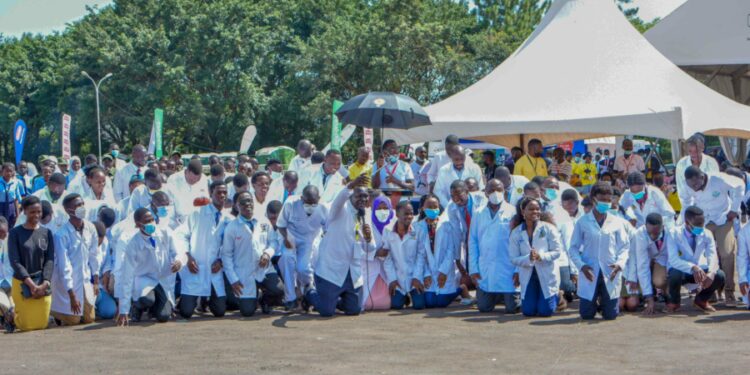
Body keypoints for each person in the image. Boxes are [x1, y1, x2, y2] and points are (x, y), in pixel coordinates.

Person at [303, 175, 374, 317]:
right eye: (358, 195)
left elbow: (370, 248)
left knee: (354, 310)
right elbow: (339, 199)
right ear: (350, 196)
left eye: (365, 196)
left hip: (352, 273)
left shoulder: (364, 215)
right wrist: (350, 185)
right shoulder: (338, 210)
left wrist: (368, 238)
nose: (363, 199)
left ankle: (334, 300)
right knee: (326, 312)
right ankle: (309, 291)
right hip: (331, 271)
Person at [681, 166, 743, 305]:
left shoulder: (718, 178)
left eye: (696, 184)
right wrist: (685, 222)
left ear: (702, 177)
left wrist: (734, 209)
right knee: (705, 255)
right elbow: (686, 203)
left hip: (723, 219)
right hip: (703, 222)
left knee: (726, 254)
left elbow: (740, 185)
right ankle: (710, 290)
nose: (694, 188)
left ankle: (729, 291)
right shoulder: (687, 186)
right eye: (691, 185)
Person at [569, 183, 630, 320]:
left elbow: (625, 247)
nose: (606, 203)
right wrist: (582, 266)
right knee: (586, 315)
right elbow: (573, 248)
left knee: (610, 315)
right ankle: (593, 303)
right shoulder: (583, 222)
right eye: (602, 200)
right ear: (593, 199)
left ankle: (604, 303)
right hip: (589, 270)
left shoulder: (616, 222)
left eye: (609, 200)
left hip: (610, 271)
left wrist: (619, 264)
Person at [117, 208, 183, 326]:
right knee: (147, 299)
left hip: (162, 280)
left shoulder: (164, 232)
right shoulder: (133, 245)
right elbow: (126, 277)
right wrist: (124, 310)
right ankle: (136, 306)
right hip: (144, 279)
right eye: (147, 221)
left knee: (164, 316)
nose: (151, 223)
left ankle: (154, 308)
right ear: (138, 225)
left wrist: (179, 261)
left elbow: (177, 251)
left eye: (152, 219)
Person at [173, 181, 230, 319]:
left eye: (224, 192)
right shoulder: (196, 214)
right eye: (218, 192)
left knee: (220, 312)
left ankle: (206, 301)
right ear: (211, 193)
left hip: (215, 268)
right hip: (196, 266)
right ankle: (185, 302)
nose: (222, 195)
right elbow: (180, 235)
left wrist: (221, 261)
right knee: (186, 313)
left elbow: (230, 246)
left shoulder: (229, 218)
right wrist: (187, 257)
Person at [221, 192, 282, 317]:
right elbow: (226, 256)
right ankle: (254, 297)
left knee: (279, 290)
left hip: (264, 269)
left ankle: (265, 301)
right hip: (244, 272)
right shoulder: (231, 228)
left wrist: (267, 254)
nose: (247, 204)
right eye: (243, 202)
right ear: (236, 206)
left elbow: (274, 242)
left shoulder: (263, 221)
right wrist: (233, 280)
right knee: (247, 312)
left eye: (250, 201)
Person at [468, 179, 518, 313]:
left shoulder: (513, 212)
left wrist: (518, 270)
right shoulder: (478, 213)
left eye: (499, 190)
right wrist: (473, 268)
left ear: (504, 192)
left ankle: (506, 297)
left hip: (508, 267)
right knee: (484, 308)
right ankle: (495, 297)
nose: (495, 193)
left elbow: (520, 243)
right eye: (491, 190)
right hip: (486, 267)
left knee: (513, 308)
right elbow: (473, 241)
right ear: (485, 193)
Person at [50, 194, 99, 326]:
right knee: (74, 320)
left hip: (85, 279)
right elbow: (64, 265)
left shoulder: (90, 227)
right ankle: (55, 313)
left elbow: (94, 254)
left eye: (82, 204)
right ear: (67, 210)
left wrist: (96, 279)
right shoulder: (61, 235)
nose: (81, 207)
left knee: (89, 319)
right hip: (68, 282)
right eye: (77, 206)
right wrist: (71, 295)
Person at [509, 197, 562, 317]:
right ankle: (545, 299)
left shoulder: (549, 228)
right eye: (531, 209)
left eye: (538, 209)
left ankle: (558, 296)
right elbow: (513, 258)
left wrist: (541, 256)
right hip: (528, 274)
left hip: (546, 272)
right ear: (523, 212)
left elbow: (557, 251)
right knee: (528, 312)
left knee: (545, 311)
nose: (535, 212)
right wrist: (529, 258)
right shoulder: (516, 232)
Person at [8, 196, 55, 332]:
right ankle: (11, 315)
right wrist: (31, 284)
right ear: (24, 212)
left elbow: (50, 260)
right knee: (26, 326)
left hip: (42, 282)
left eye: (39, 212)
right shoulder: (15, 233)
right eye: (32, 212)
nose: (36, 215)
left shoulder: (47, 233)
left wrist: (45, 282)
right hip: (23, 282)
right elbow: (15, 261)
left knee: (41, 324)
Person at [277, 185, 327, 311]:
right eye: (307, 202)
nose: (310, 206)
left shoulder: (324, 209)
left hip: (309, 240)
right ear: (301, 198)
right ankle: (290, 298)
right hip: (291, 236)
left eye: (313, 203)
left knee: (303, 268)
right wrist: (287, 237)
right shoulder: (290, 204)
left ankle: (308, 289)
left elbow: (328, 230)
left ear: (319, 199)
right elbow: (281, 225)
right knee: (287, 259)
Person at [667, 206, 725, 312]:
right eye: (697, 225)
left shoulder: (707, 233)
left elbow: (712, 256)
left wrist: (711, 272)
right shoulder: (673, 233)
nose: (700, 227)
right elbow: (673, 260)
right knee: (675, 274)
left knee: (719, 275)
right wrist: (692, 267)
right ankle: (674, 302)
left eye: (702, 224)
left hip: (698, 271)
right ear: (686, 222)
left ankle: (701, 300)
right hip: (681, 271)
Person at [383, 201, 424, 310]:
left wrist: (416, 277)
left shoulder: (418, 230)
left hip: (414, 276)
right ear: (397, 214)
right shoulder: (387, 230)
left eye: (411, 213)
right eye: (406, 214)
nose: (409, 216)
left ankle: (411, 294)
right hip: (398, 277)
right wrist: (392, 279)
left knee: (419, 305)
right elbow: (387, 258)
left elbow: (421, 255)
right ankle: (404, 297)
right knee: (396, 305)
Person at [627, 213, 669, 315]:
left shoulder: (670, 232)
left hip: (663, 260)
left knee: (660, 281)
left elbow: (673, 257)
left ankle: (668, 296)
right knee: (643, 270)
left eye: (656, 233)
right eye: (650, 233)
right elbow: (642, 265)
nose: (653, 236)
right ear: (645, 226)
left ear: (662, 227)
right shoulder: (640, 234)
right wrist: (649, 299)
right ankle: (648, 296)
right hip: (643, 261)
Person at [675, 134, 720, 205]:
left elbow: (717, 185)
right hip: (691, 205)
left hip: (712, 202)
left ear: (702, 147)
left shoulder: (711, 162)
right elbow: (681, 190)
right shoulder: (681, 164)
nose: (693, 154)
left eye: (696, 151)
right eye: (690, 151)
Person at [0, 217, 14, 331]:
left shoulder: (13, 240)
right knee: (5, 305)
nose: (2, 235)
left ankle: (9, 321)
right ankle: (8, 321)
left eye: (4, 232)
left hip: (12, 282)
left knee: (14, 307)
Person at [1, 163, 25, 228]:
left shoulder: (15, 183)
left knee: (11, 225)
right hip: (1, 206)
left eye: (10, 171)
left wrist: (17, 214)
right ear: (2, 171)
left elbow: (16, 199)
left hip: (11, 207)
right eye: (6, 171)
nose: (8, 173)